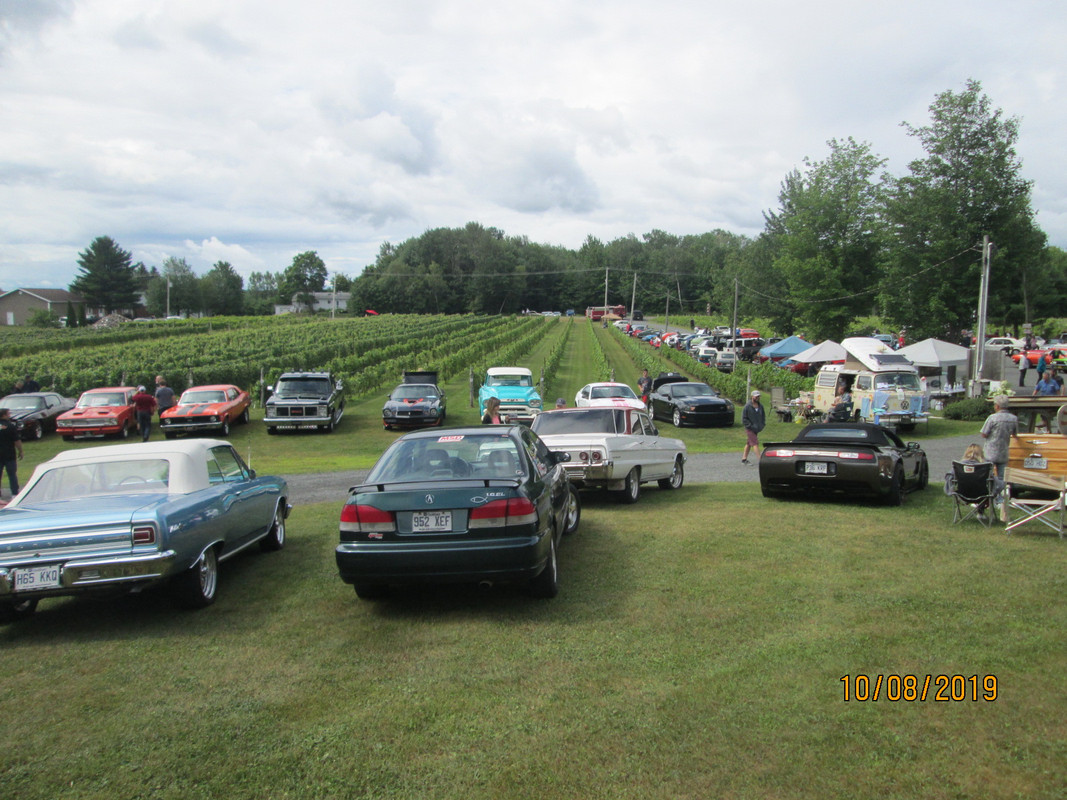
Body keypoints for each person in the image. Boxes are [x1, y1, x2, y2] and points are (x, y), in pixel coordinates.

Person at [980, 395, 1020, 480]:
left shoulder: (992, 418)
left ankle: (990, 491)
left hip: (990, 452)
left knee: (988, 476)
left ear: (997, 406)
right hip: (1003, 452)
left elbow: (984, 434)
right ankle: (1001, 491)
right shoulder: (1013, 418)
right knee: (1002, 477)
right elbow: (1015, 434)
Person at [0, 407, 23, 500]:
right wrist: (20, 451)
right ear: (4, 415)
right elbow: (16, 440)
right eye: (8, 413)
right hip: (9, 454)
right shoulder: (10, 426)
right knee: (12, 474)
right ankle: (14, 493)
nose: (10, 415)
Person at [741, 390, 766, 464]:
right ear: (752, 397)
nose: (758, 398)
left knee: (749, 443)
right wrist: (749, 426)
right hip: (750, 428)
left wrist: (762, 424)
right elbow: (744, 418)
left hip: (757, 428)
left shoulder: (760, 406)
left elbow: (763, 416)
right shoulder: (747, 406)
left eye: (758, 396)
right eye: (756, 396)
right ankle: (761, 460)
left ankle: (744, 458)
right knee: (755, 443)